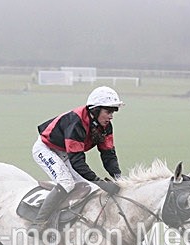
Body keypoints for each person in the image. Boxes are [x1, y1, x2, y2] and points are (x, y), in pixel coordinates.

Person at [31, 86, 124, 225]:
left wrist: (119, 178)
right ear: (96, 110)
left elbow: (108, 155)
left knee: (88, 187)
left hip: (66, 152)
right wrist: (100, 181)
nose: (111, 116)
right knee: (67, 183)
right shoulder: (76, 122)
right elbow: (77, 162)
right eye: (108, 111)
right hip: (46, 149)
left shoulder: (106, 126)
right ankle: (38, 222)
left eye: (113, 112)